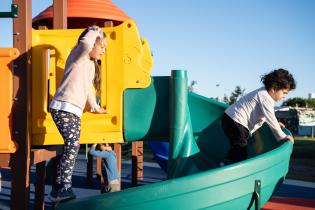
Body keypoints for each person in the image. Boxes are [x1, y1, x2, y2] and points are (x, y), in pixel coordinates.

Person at [48, 25, 107, 202]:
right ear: (93, 44)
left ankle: (57, 188)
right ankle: (64, 186)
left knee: (72, 146)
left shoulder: (90, 64)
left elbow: (88, 89)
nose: (103, 51)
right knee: (72, 145)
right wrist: (95, 31)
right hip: (63, 106)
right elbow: (86, 42)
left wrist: (95, 107)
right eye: (101, 46)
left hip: (74, 111)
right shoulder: (78, 55)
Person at [221, 68, 296, 164]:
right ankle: (229, 169)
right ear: (274, 88)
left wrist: (276, 123)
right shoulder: (265, 98)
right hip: (236, 120)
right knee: (240, 148)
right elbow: (270, 117)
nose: (284, 97)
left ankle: (225, 164)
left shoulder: (263, 94)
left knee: (238, 148)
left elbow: (264, 116)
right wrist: (283, 136)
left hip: (231, 118)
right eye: (284, 93)